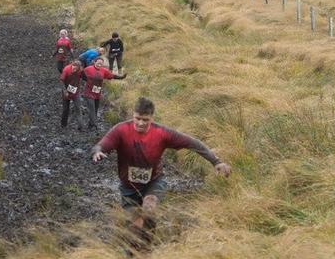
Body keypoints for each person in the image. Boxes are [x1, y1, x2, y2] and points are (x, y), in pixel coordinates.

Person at [92, 97, 231, 249]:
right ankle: (135, 256)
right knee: (134, 229)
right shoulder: (121, 130)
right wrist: (98, 152)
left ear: (152, 118)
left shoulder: (162, 133)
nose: (140, 123)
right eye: (137, 118)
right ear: (133, 115)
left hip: (154, 182)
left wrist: (216, 162)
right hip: (129, 188)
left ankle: (150, 244)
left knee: (149, 207)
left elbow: (192, 143)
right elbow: (102, 144)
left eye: (145, 120)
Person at [81, 56, 126, 130]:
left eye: (101, 64)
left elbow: (112, 76)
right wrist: (86, 80)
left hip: (97, 93)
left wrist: (121, 77)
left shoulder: (104, 71)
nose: (99, 65)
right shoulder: (88, 69)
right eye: (98, 63)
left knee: (95, 110)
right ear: (94, 62)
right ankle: (95, 125)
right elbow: (81, 74)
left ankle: (91, 125)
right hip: (88, 92)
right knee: (91, 109)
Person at [59, 59, 83, 132]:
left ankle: (80, 126)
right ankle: (63, 125)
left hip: (76, 92)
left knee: (78, 108)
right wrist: (65, 91)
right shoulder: (66, 69)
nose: (74, 68)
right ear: (71, 64)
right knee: (66, 109)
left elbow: (87, 77)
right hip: (66, 91)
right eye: (73, 66)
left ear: (79, 68)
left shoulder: (81, 71)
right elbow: (61, 80)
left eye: (76, 68)